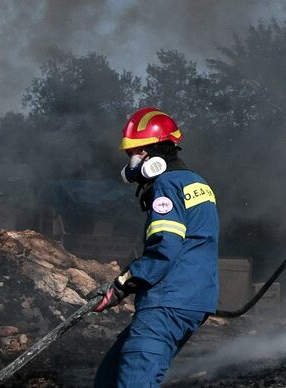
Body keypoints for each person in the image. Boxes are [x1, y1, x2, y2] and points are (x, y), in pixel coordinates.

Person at [89, 107, 219, 387]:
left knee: (135, 379)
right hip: (192, 297)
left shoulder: (167, 185)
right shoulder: (195, 182)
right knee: (109, 377)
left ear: (152, 153)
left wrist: (122, 283)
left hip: (167, 300)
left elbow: (165, 247)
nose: (131, 161)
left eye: (135, 152)